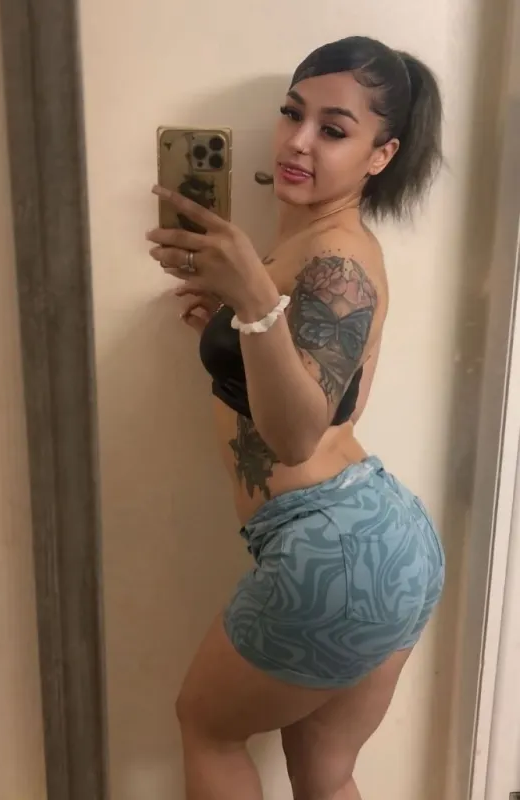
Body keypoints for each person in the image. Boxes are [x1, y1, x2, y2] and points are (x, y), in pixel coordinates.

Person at [146, 35, 445, 800]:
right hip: (386, 541)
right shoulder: (322, 246)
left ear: (380, 156)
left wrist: (251, 299)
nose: (298, 141)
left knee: (206, 728)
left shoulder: (336, 258)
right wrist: (238, 327)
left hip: (327, 548)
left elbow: (294, 435)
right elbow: (332, 392)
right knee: (324, 773)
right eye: (291, 113)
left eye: (333, 129)